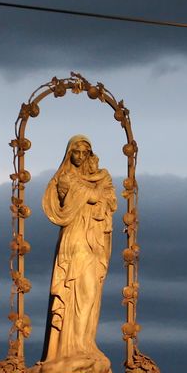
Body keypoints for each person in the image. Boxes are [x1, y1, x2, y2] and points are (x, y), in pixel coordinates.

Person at [41, 135, 117, 361]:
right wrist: (98, 187)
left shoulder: (95, 177)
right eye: (77, 152)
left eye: (85, 153)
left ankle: (85, 343)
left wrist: (100, 185)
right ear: (69, 154)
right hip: (76, 240)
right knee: (78, 289)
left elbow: (111, 201)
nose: (81, 157)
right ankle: (70, 349)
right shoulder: (65, 178)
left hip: (94, 239)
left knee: (92, 293)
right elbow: (91, 196)